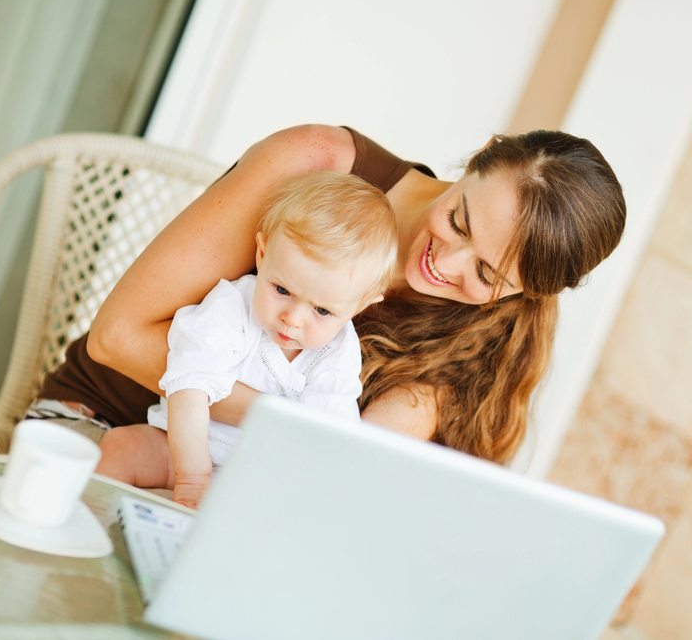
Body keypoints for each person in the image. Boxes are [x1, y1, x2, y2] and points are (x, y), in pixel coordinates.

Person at [36, 125, 625, 465]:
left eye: (488, 275)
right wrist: (302, 428)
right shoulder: (318, 164)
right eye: (460, 221)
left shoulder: (485, 343)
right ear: (473, 164)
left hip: (236, 489)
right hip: (105, 426)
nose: (444, 264)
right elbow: (118, 340)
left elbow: (359, 472)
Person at [93, 172, 396, 507]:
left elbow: (321, 437)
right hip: (179, 451)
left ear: (361, 306)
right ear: (262, 254)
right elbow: (191, 387)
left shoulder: (339, 353)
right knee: (120, 448)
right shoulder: (231, 306)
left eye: (322, 311)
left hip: (256, 478)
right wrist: (192, 480)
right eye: (282, 290)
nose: (292, 319)